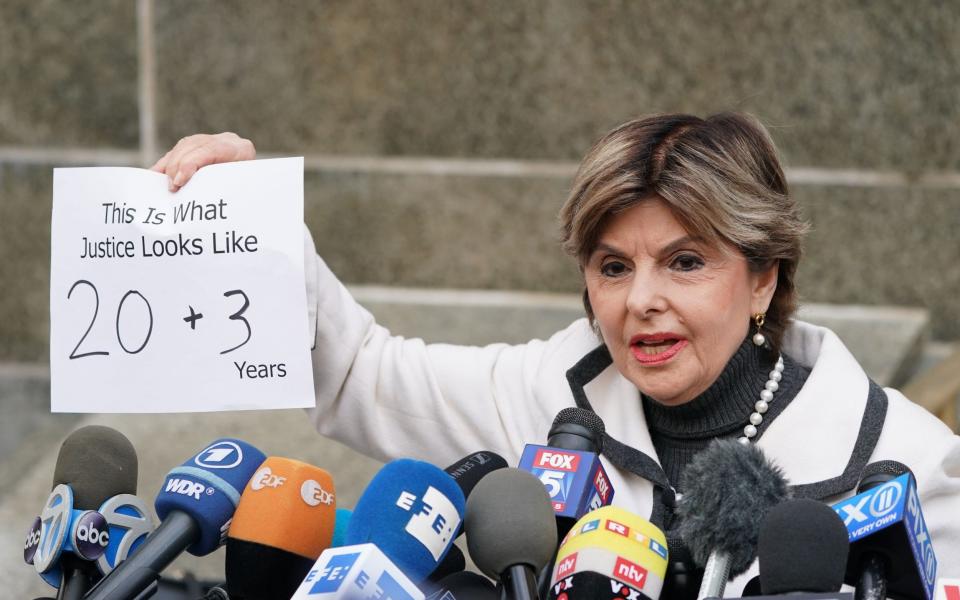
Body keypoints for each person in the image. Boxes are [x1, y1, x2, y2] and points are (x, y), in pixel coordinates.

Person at [153, 114, 960, 592]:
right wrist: (251, 225)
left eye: (685, 262)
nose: (641, 299)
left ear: (762, 281)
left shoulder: (911, 465)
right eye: (614, 266)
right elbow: (363, 373)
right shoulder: (551, 390)